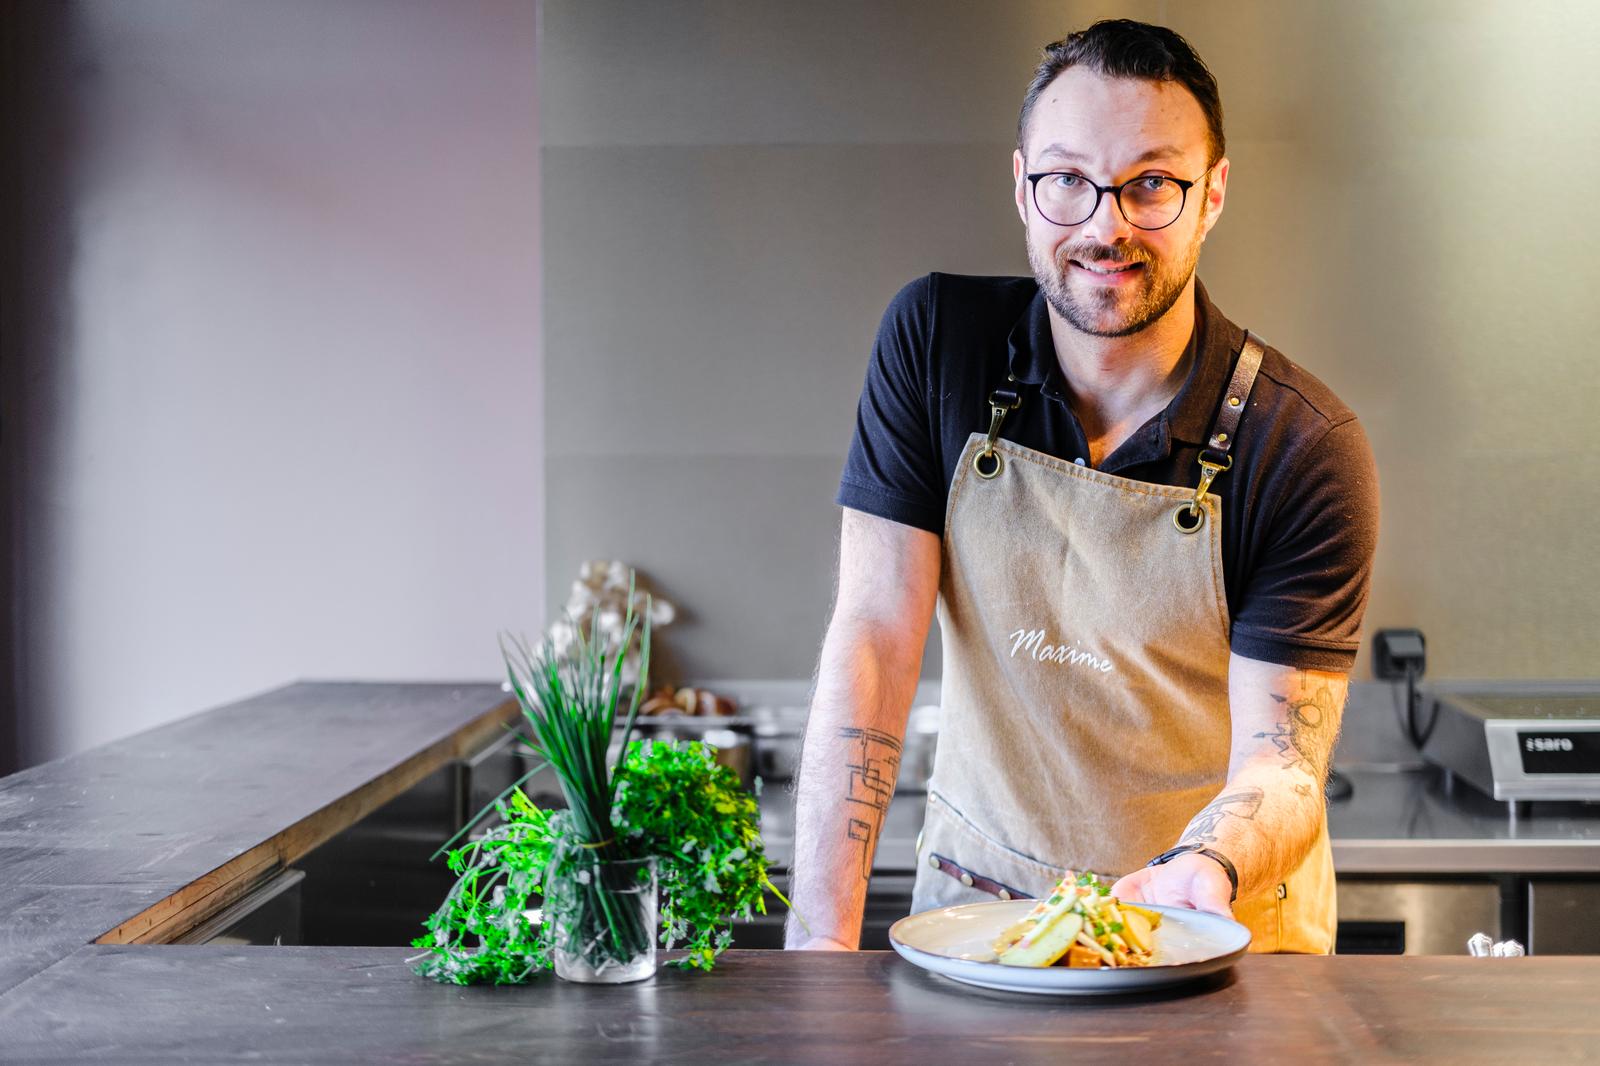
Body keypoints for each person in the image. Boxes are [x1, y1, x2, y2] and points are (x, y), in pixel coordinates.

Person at [784, 19, 1378, 955]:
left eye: (1152, 184)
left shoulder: (1303, 445)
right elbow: (874, 637)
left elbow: (1283, 762)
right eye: (1069, 180)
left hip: (1219, 936)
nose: (1107, 224)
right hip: (981, 920)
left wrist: (1204, 870)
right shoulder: (936, 343)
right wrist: (820, 946)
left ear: (1212, 192)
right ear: (1022, 187)